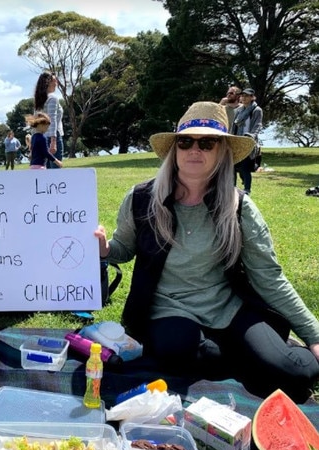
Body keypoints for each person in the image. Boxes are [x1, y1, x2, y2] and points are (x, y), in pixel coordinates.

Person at [94, 101, 319, 401]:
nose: (194, 150)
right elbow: (124, 248)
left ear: (222, 151)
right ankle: (245, 353)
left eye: (207, 143)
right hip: (168, 308)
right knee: (182, 352)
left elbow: (270, 278)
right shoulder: (141, 199)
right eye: (185, 142)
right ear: (175, 150)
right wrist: (106, 248)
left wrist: (315, 336)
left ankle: (273, 349)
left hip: (228, 307)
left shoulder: (240, 208)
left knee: (296, 373)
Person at [231, 88, 263, 194]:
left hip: (248, 141)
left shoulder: (256, 110)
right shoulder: (239, 110)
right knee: (233, 166)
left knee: (245, 168)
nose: (243, 98)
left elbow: (258, 125)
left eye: (246, 96)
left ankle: (247, 190)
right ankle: (232, 188)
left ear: (252, 97)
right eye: (242, 96)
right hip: (237, 141)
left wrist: (252, 136)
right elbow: (234, 126)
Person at [34, 71, 64, 168]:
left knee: (47, 172)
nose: (56, 83)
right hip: (53, 137)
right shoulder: (52, 98)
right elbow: (52, 120)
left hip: (42, 138)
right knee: (55, 171)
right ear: (49, 83)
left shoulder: (39, 100)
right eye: (55, 81)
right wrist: (53, 142)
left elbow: (36, 123)